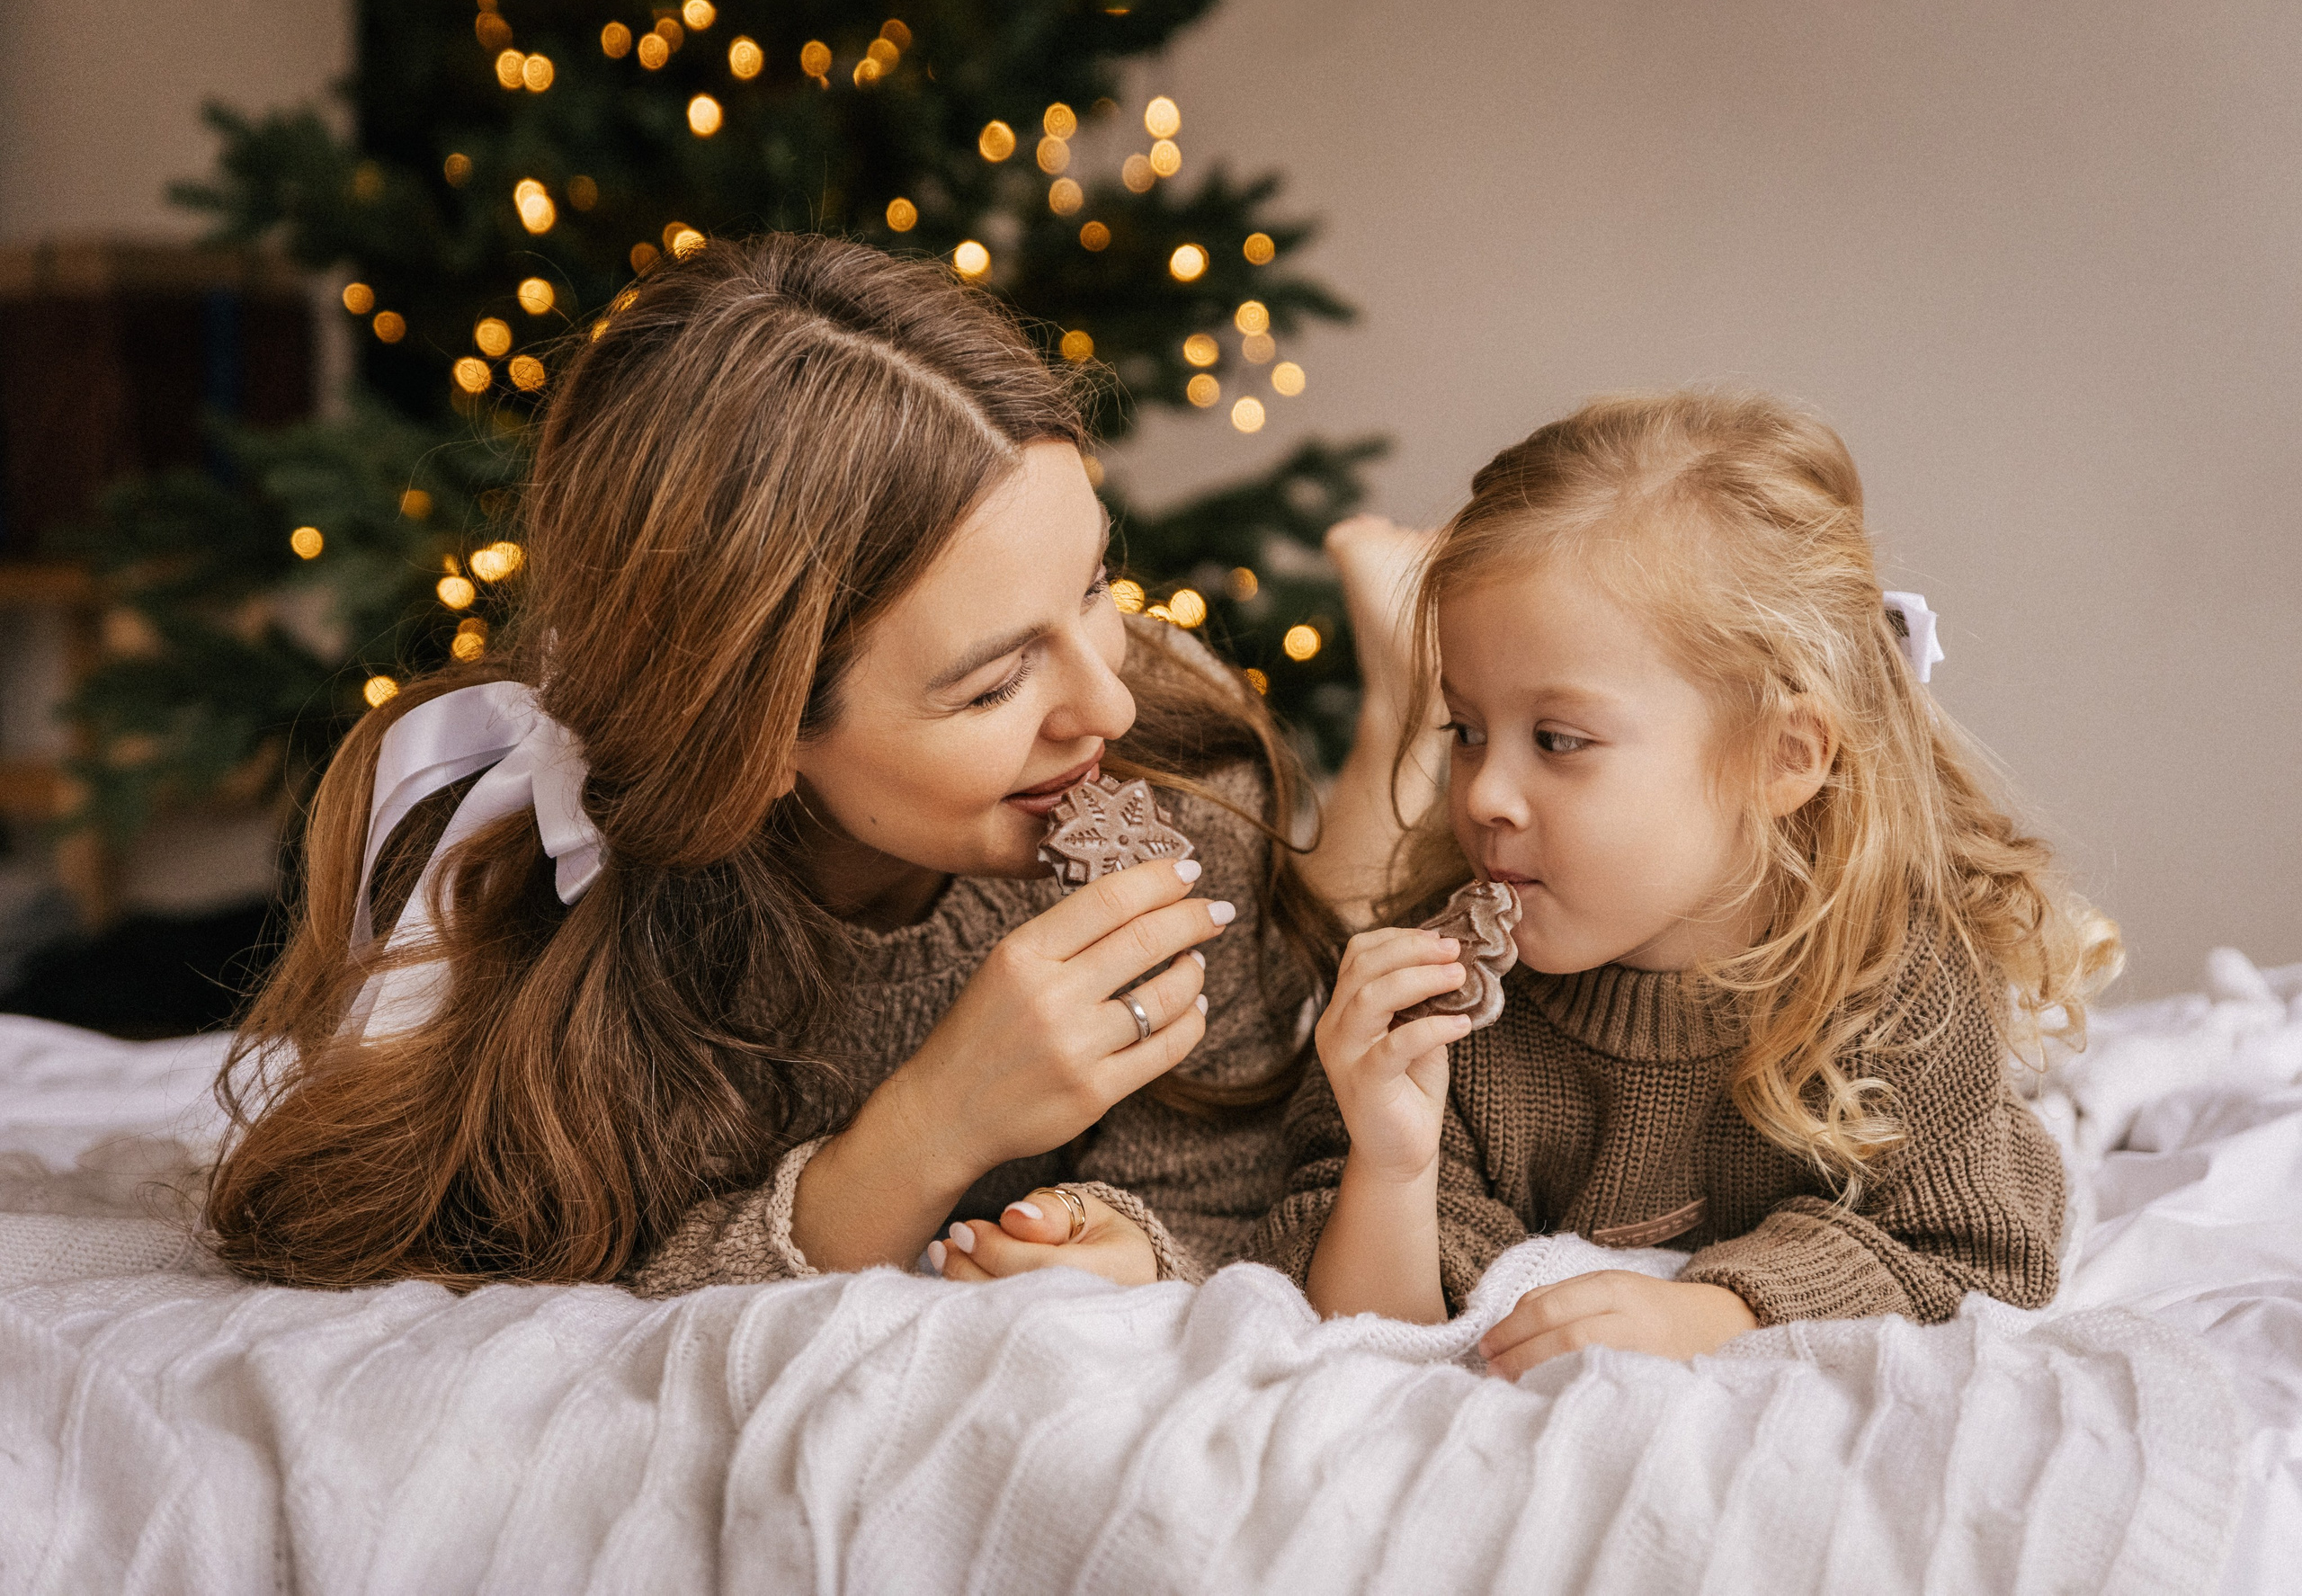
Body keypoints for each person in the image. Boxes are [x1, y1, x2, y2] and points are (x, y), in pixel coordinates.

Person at [205, 233, 1393, 1295]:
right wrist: (930, 1128)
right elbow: (423, 1259)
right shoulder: (547, 880)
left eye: (1095, 586)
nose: (1107, 702)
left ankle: (1407, 706)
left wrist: (1135, 1251)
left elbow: (1237, 1193)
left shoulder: (1180, 785)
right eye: (993, 683)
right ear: (758, 729)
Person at [1255, 388, 2122, 1378]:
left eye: (1558, 739)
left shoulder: (1897, 980)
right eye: (1465, 730)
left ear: (1782, 756)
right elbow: (1367, 1332)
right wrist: (1391, 1166)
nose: (1487, 792)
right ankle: (1397, 704)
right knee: (1335, 911)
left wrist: (1720, 1311)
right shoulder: (1452, 1009)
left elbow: (1976, 1249)